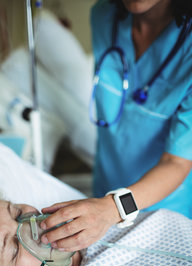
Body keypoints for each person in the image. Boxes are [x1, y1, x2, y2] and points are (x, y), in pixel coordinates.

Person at [38, 0, 192, 253]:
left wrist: (113, 208)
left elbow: (177, 162)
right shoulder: (103, 16)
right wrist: (104, 207)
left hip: (162, 210)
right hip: (103, 191)